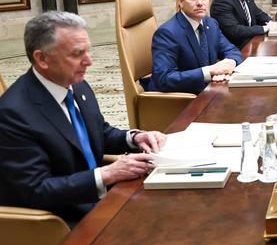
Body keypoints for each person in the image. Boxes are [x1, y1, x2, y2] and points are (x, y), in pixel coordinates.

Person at [0, 12, 166, 226]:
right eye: (77, 54)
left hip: (102, 200)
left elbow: (98, 132)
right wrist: (105, 175)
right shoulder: (13, 114)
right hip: (62, 222)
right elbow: (36, 191)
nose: (88, 62)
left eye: (88, 51)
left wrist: (135, 138)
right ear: (42, 59)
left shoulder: (76, 83)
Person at [147, 0, 243, 94]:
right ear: (180, 1)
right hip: (181, 98)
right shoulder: (167, 33)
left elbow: (232, 50)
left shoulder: (211, 23)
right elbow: (164, 79)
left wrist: (229, 63)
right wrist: (209, 71)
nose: (199, 3)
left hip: (208, 89)